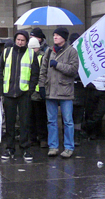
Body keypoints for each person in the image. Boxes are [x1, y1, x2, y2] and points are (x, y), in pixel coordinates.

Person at [0, 30, 40, 161]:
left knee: (25, 122)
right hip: (9, 93)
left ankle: (26, 148)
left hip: (24, 93)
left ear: (26, 42)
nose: (20, 42)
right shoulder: (6, 52)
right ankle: (9, 148)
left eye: (23, 40)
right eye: (18, 40)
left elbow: (35, 74)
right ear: (15, 40)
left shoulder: (31, 54)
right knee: (9, 123)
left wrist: (30, 90)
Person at [38, 27, 77, 158]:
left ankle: (68, 147)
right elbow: (43, 71)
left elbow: (73, 70)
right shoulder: (49, 51)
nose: (55, 37)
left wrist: (58, 65)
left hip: (65, 91)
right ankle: (53, 146)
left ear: (64, 38)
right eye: (54, 35)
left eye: (58, 35)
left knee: (68, 121)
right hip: (51, 91)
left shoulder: (71, 51)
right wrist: (41, 86)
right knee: (51, 121)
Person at [27, 37, 48, 147]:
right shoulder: (28, 56)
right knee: (31, 117)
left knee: (41, 117)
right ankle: (33, 138)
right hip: (29, 91)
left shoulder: (43, 56)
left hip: (39, 91)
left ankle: (43, 138)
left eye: (33, 48)